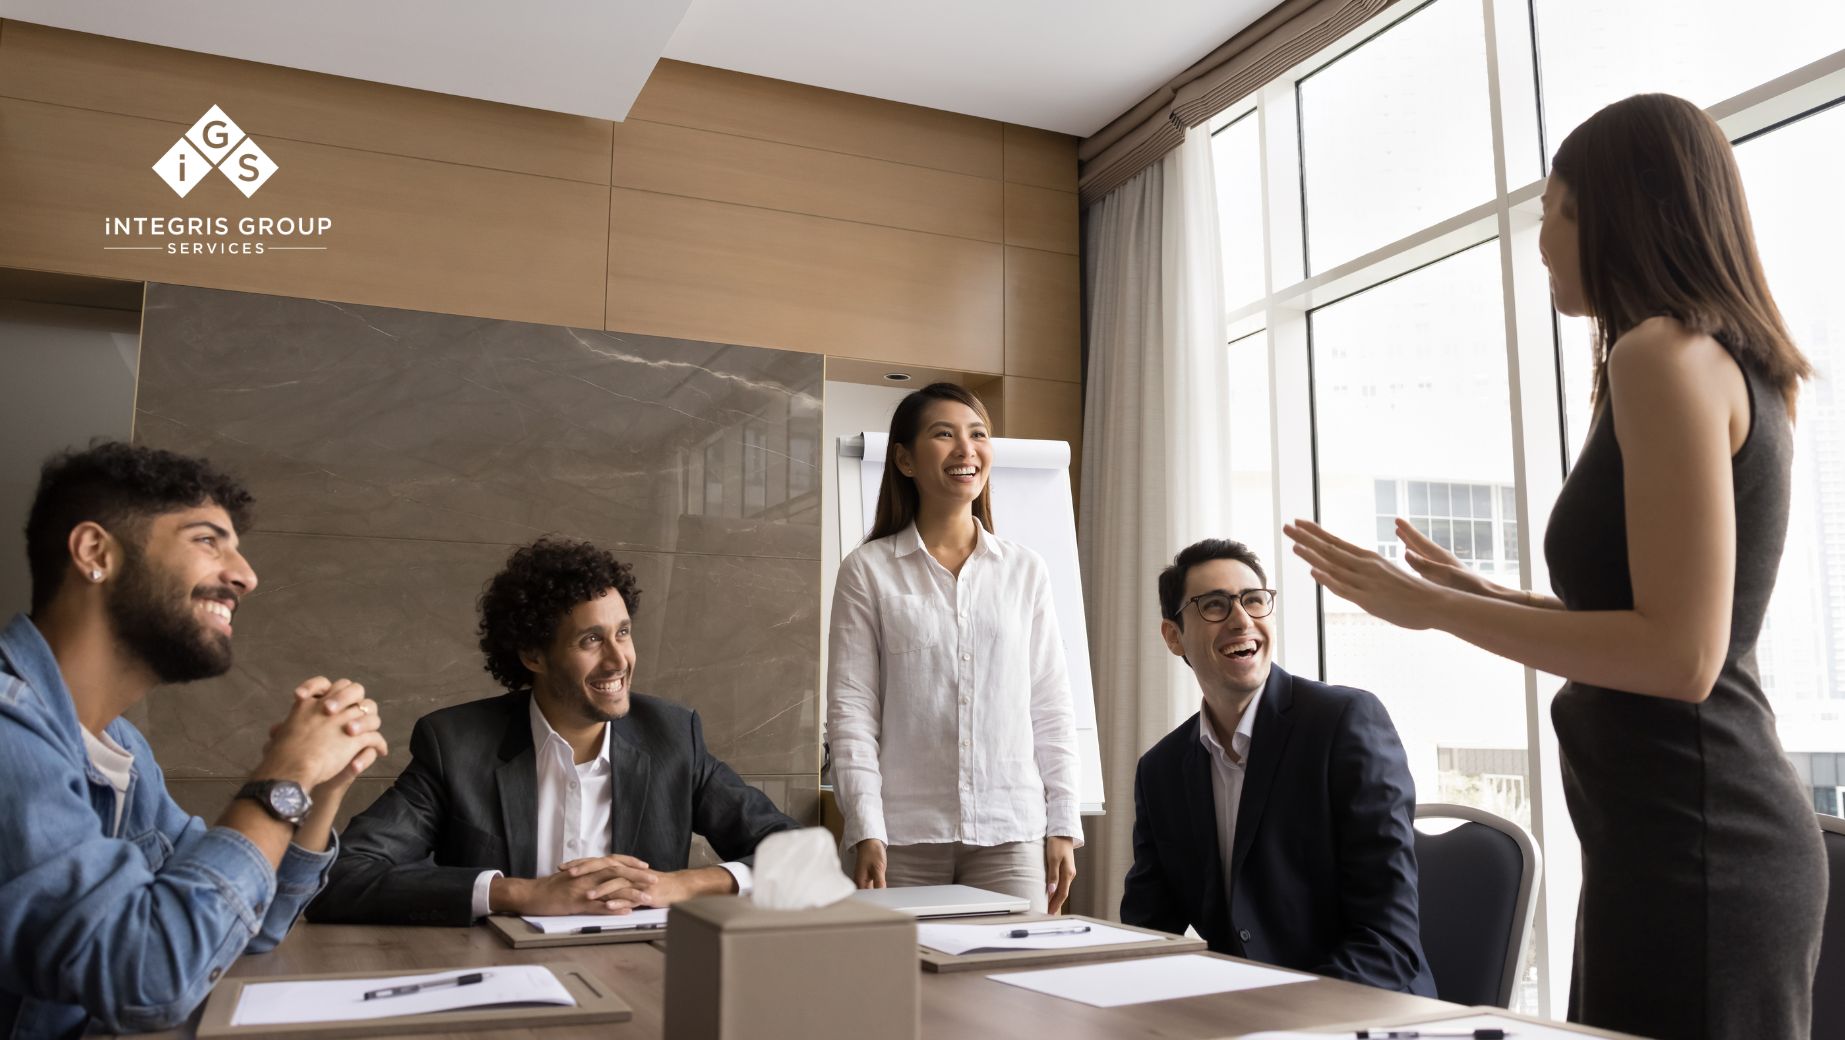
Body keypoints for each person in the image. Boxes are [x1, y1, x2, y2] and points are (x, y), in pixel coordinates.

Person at [1286, 93, 1828, 1039]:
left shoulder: (1658, 354)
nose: (1538, 240)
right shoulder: (1732, 362)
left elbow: (1680, 659)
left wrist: (1433, 612)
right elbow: (1656, 617)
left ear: (1620, 208)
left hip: (1695, 840)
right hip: (1679, 833)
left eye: (1553, 208)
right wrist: (1481, 594)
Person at [0, 443, 388, 1039]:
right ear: (95, 552)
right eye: (209, 540)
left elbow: (248, 926)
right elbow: (149, 974)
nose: (246, 575)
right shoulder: (8, 735)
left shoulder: (119, 748)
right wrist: (281, 777)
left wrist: (319, 784)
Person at [309, 537, 797, 925]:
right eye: (591, 640)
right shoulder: (456, 746)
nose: (618, 659)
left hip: (644, 982)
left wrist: (679, 885)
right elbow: (341, 878)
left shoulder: (672, 737)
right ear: (533, 656)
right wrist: (520, 893)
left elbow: (795, 852)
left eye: (623, 632)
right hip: (500, 983)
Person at [1120, 539, 1435, 994]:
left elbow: (1387, 942)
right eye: (1214, 605)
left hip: (1360, 1009)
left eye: (1253, 600)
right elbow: (1147, 934)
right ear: (1173, 636)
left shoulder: (1345, 723)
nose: (1242, 619)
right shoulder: (1161, 771)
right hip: (1243, 1015)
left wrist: (1275, 1015)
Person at [828, 382, 1082, 914]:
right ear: (904, 458)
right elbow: (852, 714)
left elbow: (1051, 707)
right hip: (903, 837)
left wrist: (1062, 824)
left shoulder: (1024, 570)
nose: (967, 450)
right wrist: (865, 828)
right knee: (906, 989)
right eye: (944, 435)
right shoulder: (867, 571)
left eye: (978, 435)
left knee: (1011, 991)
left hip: (1010, 834)